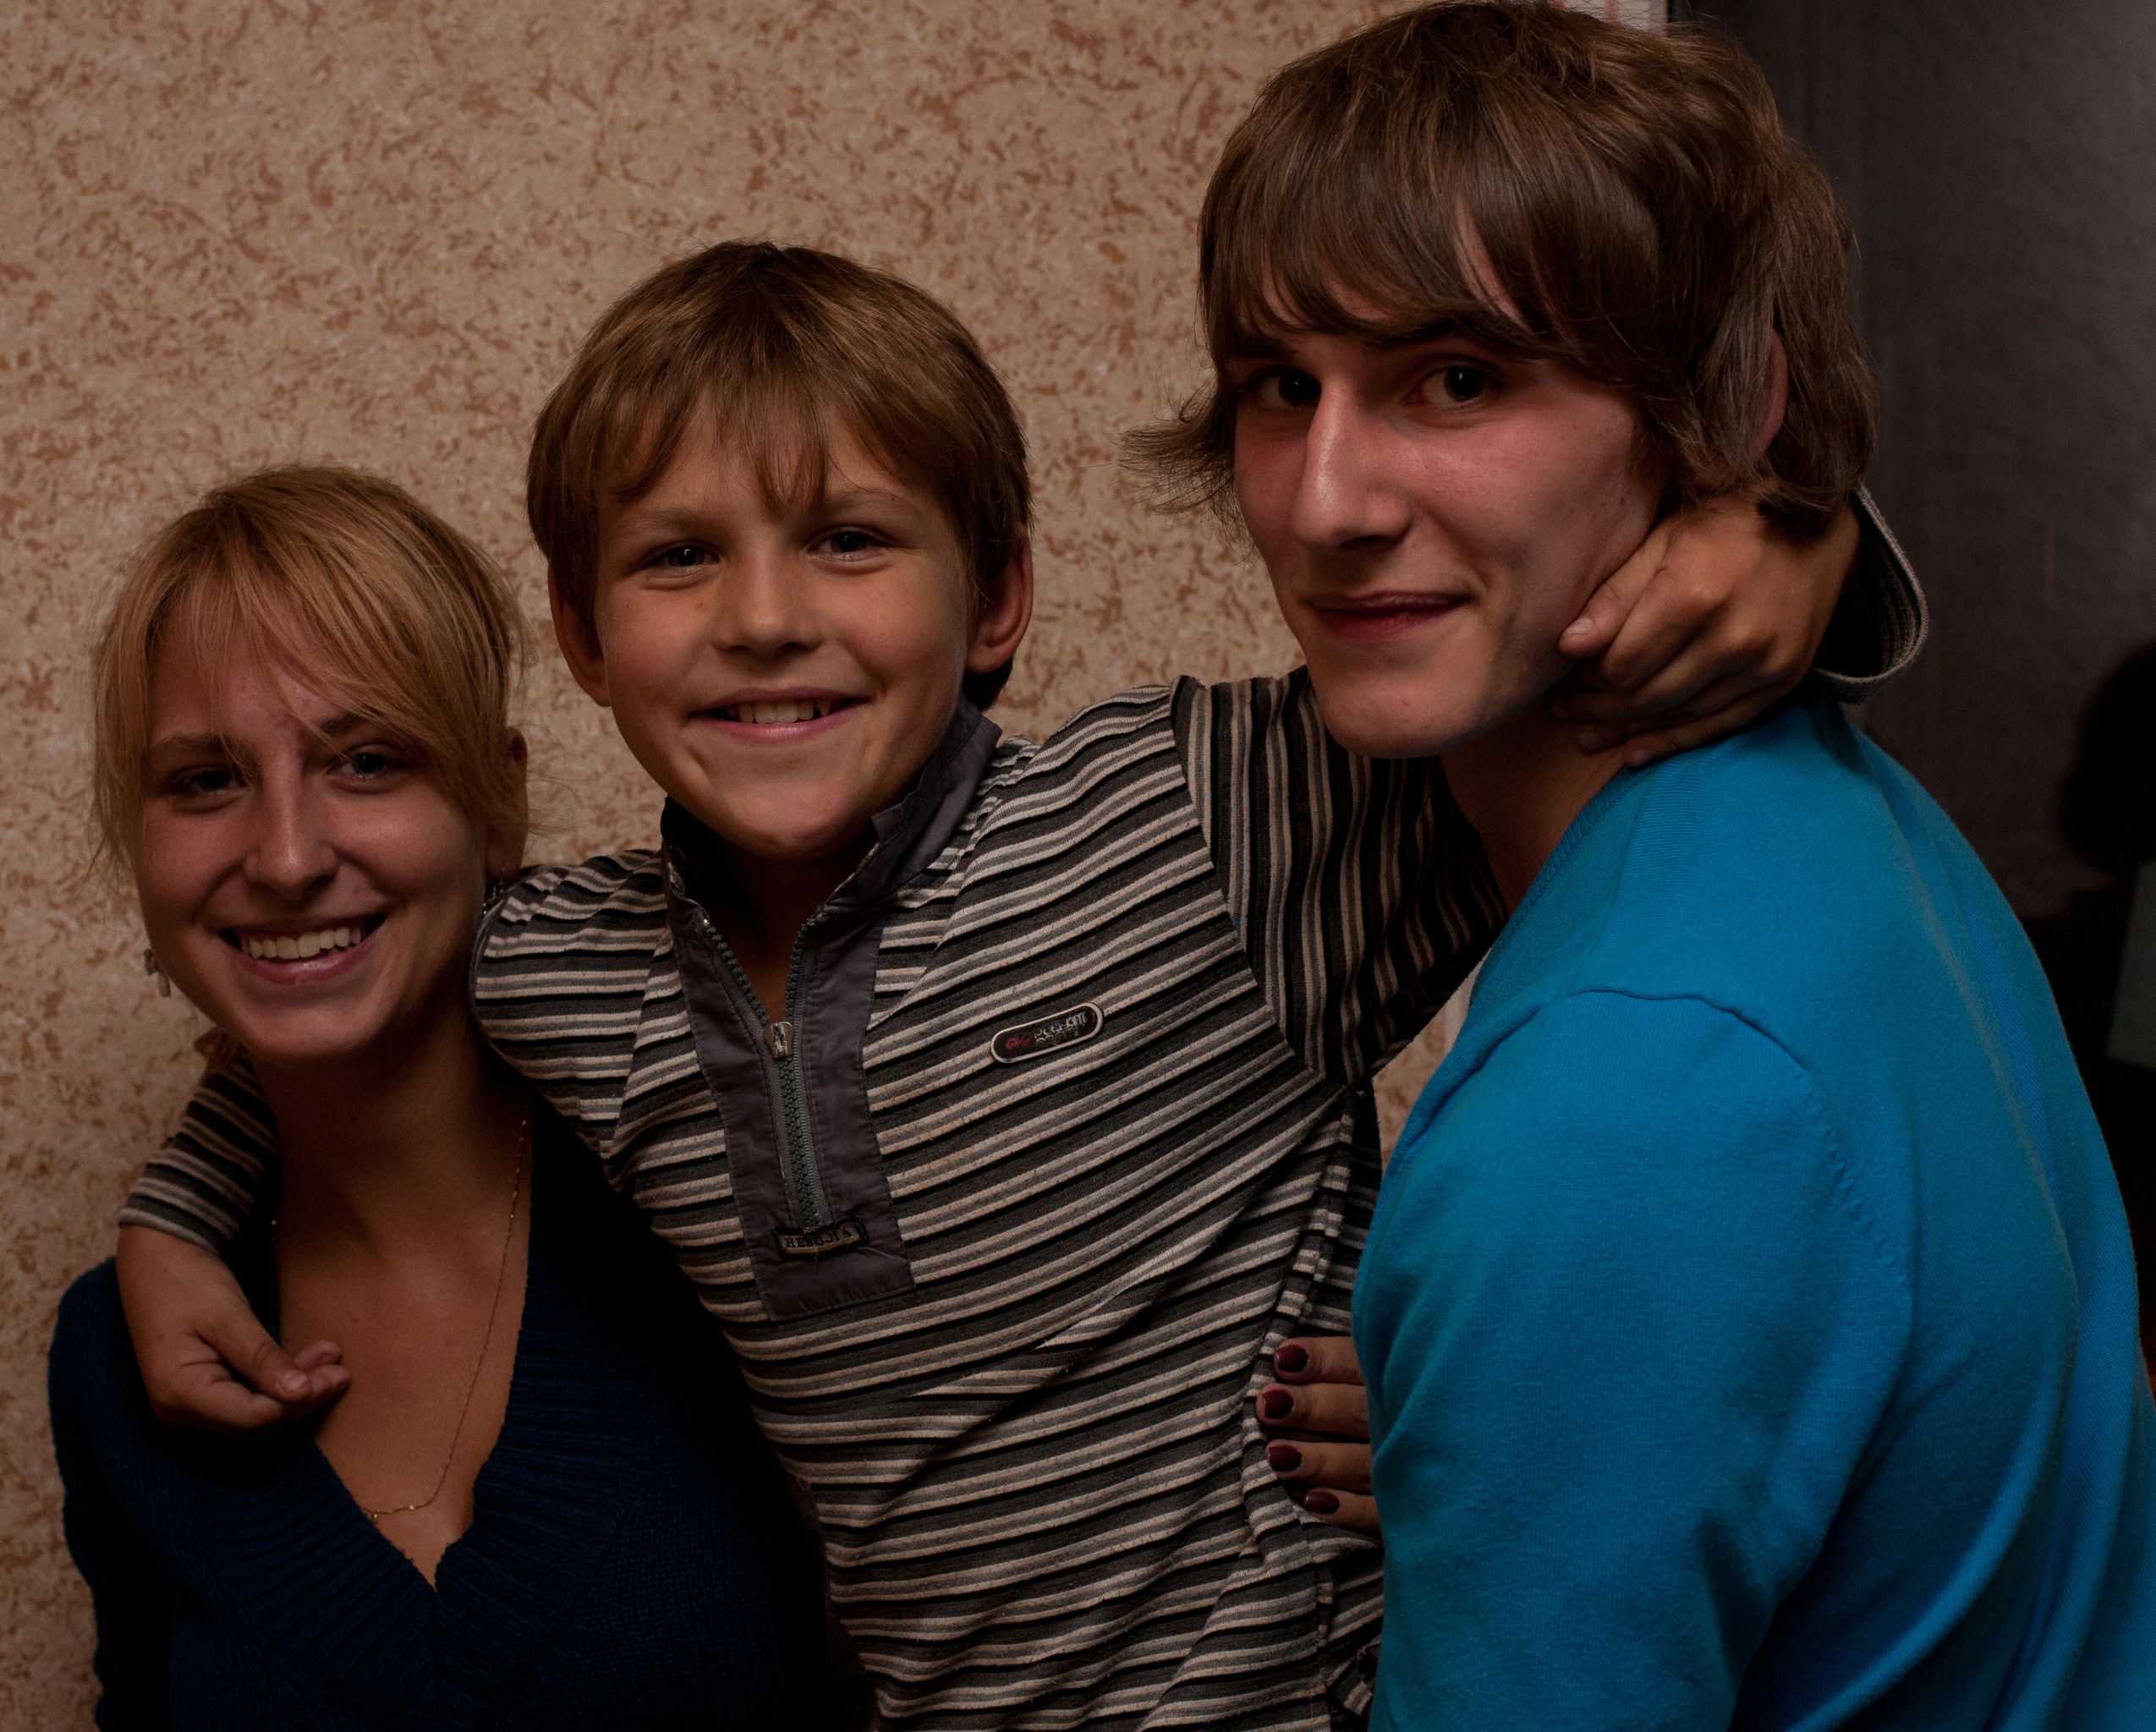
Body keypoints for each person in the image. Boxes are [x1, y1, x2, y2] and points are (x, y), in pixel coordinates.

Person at [112, 242, 1923, 1726]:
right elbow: (337, 960)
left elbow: (1557, 676)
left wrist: (1792, 536)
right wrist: (183, 1215)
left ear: (996, 601)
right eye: (678, 557)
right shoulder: (566, 969)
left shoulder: (1202, 825)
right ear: (583, 637)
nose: (762, 616)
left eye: (848, 537)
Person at [1138, 3, 2155, 1724]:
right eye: (1278, 389)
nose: (1322, 503)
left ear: (1729, 411)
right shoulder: (1836, 815)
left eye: (1456, 379)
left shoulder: (1619, 1094)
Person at [50, 468, 842, 1729]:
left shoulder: (714, 1197)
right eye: (204, 781)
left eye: (367, 762)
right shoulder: (121, 1358)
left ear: (500, 798)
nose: (287, 857)